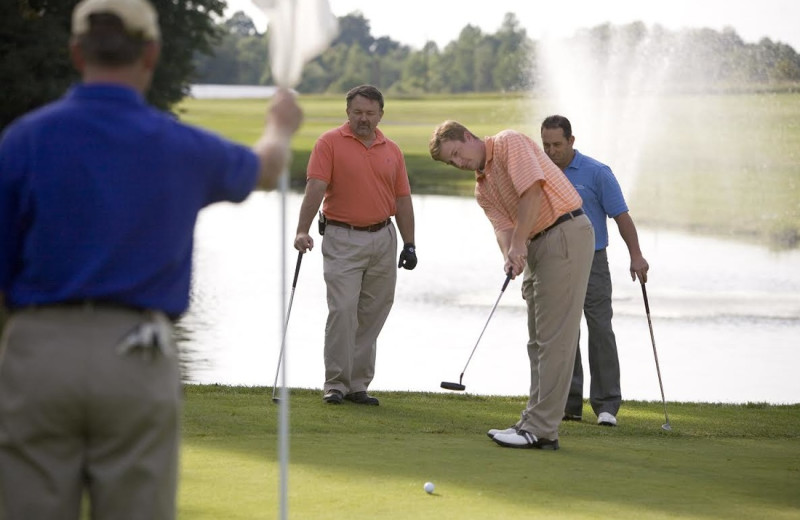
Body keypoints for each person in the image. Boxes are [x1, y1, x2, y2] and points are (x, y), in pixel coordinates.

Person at [0, 0, 303, 518]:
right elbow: (264, 169)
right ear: (152, 54)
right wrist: (279, 126)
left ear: (76, 52)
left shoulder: (23, 140)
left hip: (39, 352)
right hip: (137, 356)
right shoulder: (178, 144)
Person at [429, 121, 594, 450]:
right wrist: (510, 254)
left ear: (467, 136)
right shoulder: (483, 188)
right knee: (537, 342)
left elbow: (532, 190)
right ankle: (533, 422)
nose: (459, 164)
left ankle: (542, 428)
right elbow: (503, 228)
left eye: (458, 154)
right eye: (452, 162)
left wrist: (519, 244)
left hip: (564, 233)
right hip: (537, 246)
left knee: (555, 340)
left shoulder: (508, 143)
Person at [293, 84, 416, 406]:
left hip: (383, 237)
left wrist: (410, 243)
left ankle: (357, 385)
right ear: (348, 112)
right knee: (343, 310)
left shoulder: (392, 149)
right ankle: (335, 383)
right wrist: (301, 230)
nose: (364, 119)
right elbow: (316, 188)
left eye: (370, 113)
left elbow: (402, 199)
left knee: (373, 313)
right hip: (342, 236)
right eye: (358, 112)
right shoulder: (329, 143)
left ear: (380, 115)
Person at [540, 115, 649, 427]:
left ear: (572, 141)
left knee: (600, 329)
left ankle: (606, 405)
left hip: (593, 261)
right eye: (545, 145)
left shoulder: (597, 172)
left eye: (557, 145)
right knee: (564, 333)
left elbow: (621, 216)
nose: (551, 151)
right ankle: (569, 403)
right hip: (553, 262)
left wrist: (636, 255)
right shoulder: (540, 172)